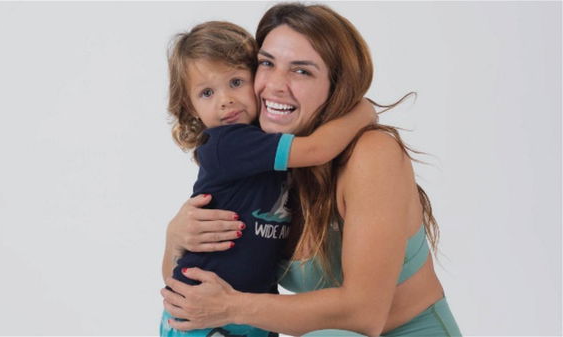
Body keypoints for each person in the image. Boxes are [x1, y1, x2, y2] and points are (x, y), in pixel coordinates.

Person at [161, 4, 462, 336]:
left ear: (336, 84)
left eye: (301, 71)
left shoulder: (372, 155)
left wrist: (233, 307)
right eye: (266, 64)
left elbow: (364, 317)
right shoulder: (269, 166)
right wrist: (174, 239)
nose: (275, 85)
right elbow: (184, 294)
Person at [161, 20, 377, 337]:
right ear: (189, 107)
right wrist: (364, 111)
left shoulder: (264, 141)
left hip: (248, 312)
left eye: (236, 82)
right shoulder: (229, 143)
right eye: (207, 92)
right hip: (204, 313)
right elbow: (317, 149)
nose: (225, 100)